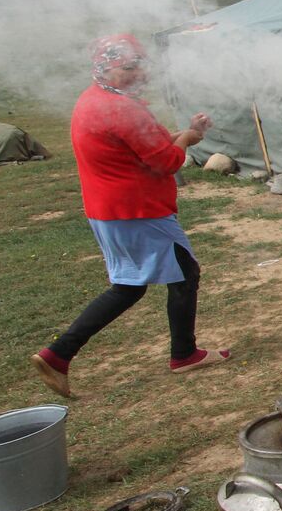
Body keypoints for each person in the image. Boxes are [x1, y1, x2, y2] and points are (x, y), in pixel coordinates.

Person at [30, 34, 230, 398]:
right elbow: (166, 160)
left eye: (140, 64)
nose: (138, 72)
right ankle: (184, 354)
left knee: (129, 287)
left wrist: (185, 133)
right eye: (129, 67)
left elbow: (144, 145)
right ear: (106, 67)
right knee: (185, 273)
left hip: (109, 211)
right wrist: (185, 140)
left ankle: (59, 353)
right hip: (136, 210)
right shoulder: (123, 109)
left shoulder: (97, 99)